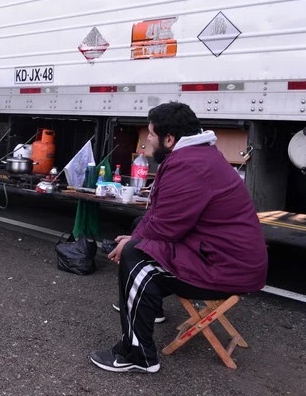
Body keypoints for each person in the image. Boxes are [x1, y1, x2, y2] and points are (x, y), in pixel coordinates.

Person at [89, 102, 268, 373]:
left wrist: (131, 242)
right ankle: (152, 306)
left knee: (135, 255)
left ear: (169, 139)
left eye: (151, 134)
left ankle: (137, 355)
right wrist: (137, 234)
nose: (148, 139)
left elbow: (167, 227)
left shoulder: (189, 165)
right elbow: (159, 214)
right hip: (221, 256)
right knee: (138, 231)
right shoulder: (197, 155)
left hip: (227, 269)